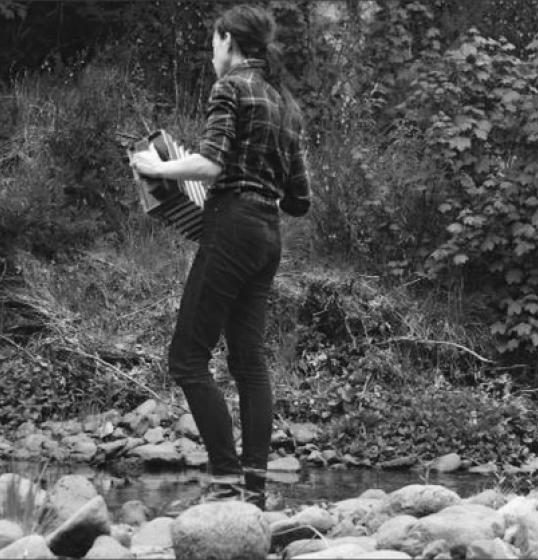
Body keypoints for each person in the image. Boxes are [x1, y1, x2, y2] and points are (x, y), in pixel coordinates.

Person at [130, 4, 310, 510]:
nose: (212, 54)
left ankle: (226, 483)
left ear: (229, 41)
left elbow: (209, 163)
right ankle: (253, 491)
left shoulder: (231, 87)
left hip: (231, 228)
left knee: (187, 358)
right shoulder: (285, 105)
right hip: (268, 237)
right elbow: (300, 201)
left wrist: (157, 167)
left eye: (214, 43)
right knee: (249, 363)